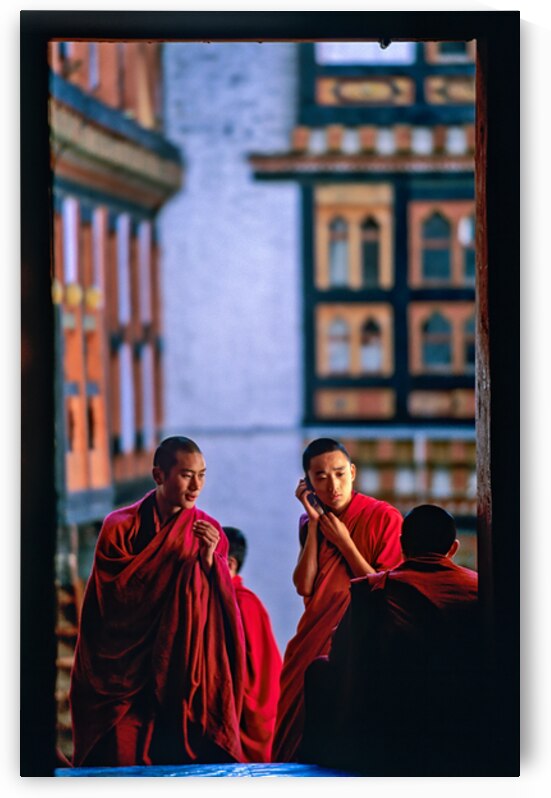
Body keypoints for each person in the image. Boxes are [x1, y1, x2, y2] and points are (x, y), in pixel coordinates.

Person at [69, 436, 245, 767]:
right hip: (120, 677)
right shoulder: (119, 527)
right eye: (186, 475)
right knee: (118, 765)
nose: (196, 486)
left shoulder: (209, 532)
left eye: (202, 475)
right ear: (159, 475)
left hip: (178, 671)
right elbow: (113, 603)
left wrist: (209, 561)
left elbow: (220, 610)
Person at [300, 504, 481, 775]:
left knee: (319, 670)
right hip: (465, 718)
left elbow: (340, 655)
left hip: (389, 724)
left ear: (401, 544)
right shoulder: (478, 588)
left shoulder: (377, 588)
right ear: (453, 549)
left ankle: (325, 766)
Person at [272, 438, 403, 762]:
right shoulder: (309, 520)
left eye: (340, 473)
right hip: (313, 634)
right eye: (321, 477)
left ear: (353, 472)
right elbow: (304, 585)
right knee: (295, 721)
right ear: (307, 483)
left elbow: (385, 589)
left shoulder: (384, 517)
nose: (333, 485)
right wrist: (315, 526)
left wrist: (345, 543)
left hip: (359, 638)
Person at [224, 526, 283, 763]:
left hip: (248, 718)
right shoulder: (232, 600)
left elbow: (250, 673)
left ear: (229, 564)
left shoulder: (241, 604)